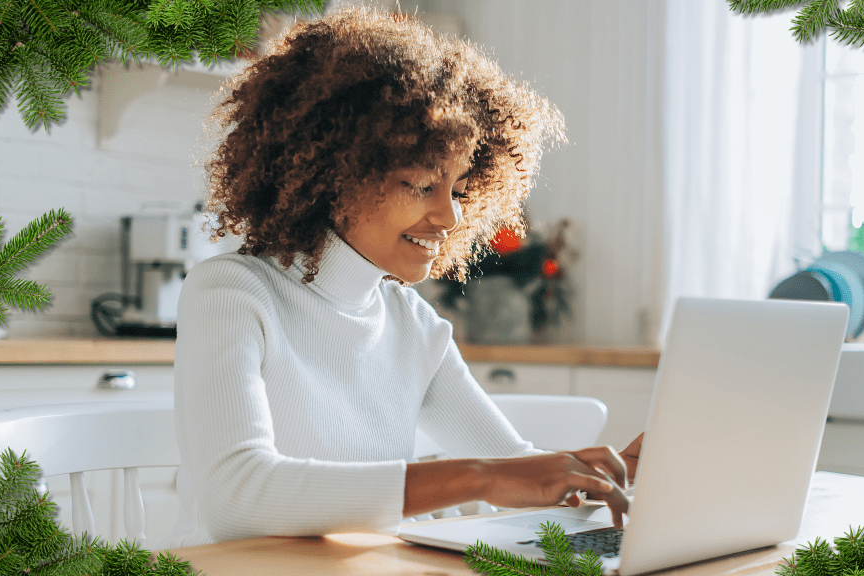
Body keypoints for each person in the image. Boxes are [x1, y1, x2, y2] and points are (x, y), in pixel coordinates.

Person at [167, 4, 643, 548]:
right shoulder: (231, 293)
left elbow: (516, 467)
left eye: (461, 191)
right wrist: (482, 477)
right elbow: (238, 496)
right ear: (334, 175)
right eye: (422, 185)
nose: (451, 217)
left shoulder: (411, 323)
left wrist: (604, 473)